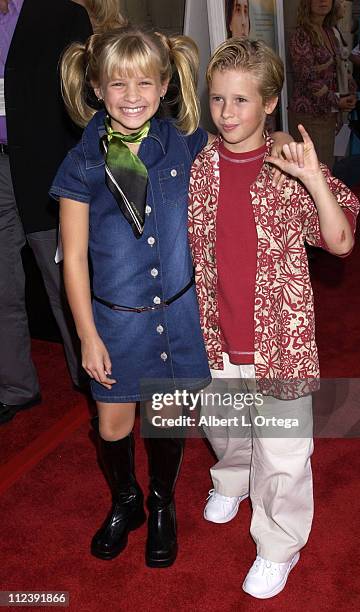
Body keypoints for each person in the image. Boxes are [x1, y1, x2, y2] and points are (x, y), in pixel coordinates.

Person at [188, 37, 360, 599]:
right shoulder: (201, 164)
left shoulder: (289, 166)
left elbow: (340, 242)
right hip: (215, 334)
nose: (227, 113)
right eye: (218, 100)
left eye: (241, 100)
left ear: (269, 104)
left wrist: (312, 177)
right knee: (227, 427)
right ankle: (232, 481)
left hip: (280, 339)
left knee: (284, 452)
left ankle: (278, 545)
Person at [49, 26, 216, 568]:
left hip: (178, 317)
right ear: (96, 88)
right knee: (113, 425)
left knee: (167, 422)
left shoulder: (183, 145)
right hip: (116, 326)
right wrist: (87, 335)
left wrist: (279, 139)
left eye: (145, 82)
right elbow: (72, 258)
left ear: (165, 84)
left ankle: (162, 502)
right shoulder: (83, 162)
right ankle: (128, 500)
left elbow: (242, 147)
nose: (132, 95)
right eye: (118, 84)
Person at [0, 0, 92, 426]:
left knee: (65, 282)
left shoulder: (62, 16)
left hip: (49, 171)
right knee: (2, 284)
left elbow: (84, 99)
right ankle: (15, 387)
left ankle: (94, 380)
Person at [289, 0, 357, 169]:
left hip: (328, 115)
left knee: (325, 170)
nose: (323, 1)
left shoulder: (330, 32)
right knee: (314, 173)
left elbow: (341, 67)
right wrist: (335, 100)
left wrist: (349, 94)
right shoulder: (301, 34)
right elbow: (305, 76)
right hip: (310, 116)